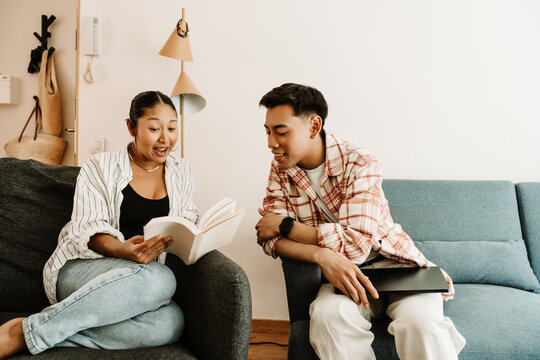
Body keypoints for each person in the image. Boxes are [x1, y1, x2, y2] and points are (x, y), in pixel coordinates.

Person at [255, 83, 466, 360]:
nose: (271, 142)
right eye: (268, 132)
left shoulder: (360, 162)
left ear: (314, 126)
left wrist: (287, 226)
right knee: (329, 316)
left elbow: (356, 244)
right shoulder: (280, 169)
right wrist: (321, 255)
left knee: (421, 324)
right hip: (344, 273)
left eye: (280, 132)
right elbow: (269, 240)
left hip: (396, 265)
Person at [0, 90, 198, 358]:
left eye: (172, 128)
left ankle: (32, 332)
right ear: (131, 127)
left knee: (170, 323)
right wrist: (125, 250)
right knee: (161, 279)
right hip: (82, 268)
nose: (165, 138)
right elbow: (88, 231)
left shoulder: (181, 171)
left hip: (135, 282)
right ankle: (21, 335)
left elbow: (185, 220)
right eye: (154, 128)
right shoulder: (100, 166)